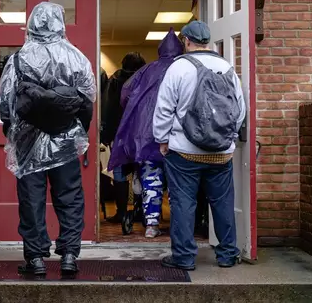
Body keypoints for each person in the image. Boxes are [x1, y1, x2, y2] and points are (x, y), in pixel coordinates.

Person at [0, 2, 96, 276]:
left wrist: (13, 134)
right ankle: (70, 255)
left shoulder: (18, 59)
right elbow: (87, 102)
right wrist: (75, 131)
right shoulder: (77, 58)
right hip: (65, 139)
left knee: (31, 199)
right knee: (70, 197)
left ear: (32, 24)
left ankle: (36, 258)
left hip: (27, 140)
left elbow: (5, 105)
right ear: (60, 23)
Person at [153, 20, 245, 270]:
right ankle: (227, 254)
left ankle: (184, 257)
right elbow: (239, 110)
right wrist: (229, 138)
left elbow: (163, 109)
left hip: (184, 151)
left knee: (183, 202)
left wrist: (162, 140)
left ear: (187, 41)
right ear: (207, 41)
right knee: (223, 202)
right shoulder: (227, 67)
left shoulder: (179, 67)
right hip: (220, 153)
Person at [108, 29, 183, 238]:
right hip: (178, 138)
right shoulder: (185, 68)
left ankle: (151, 225)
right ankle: (180, 226)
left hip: (145, 137)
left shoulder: (145, 71)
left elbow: (125, 95)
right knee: (179, 184)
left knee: (151, 181)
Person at [100, 52, 146, 223]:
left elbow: (108, 107)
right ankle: (141, 211)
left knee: (119, 172)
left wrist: (106, 133)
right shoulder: (145, 78)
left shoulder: (115, 80)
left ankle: (121, 212)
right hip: (142, 134)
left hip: (120, 134)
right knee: (141, 172)